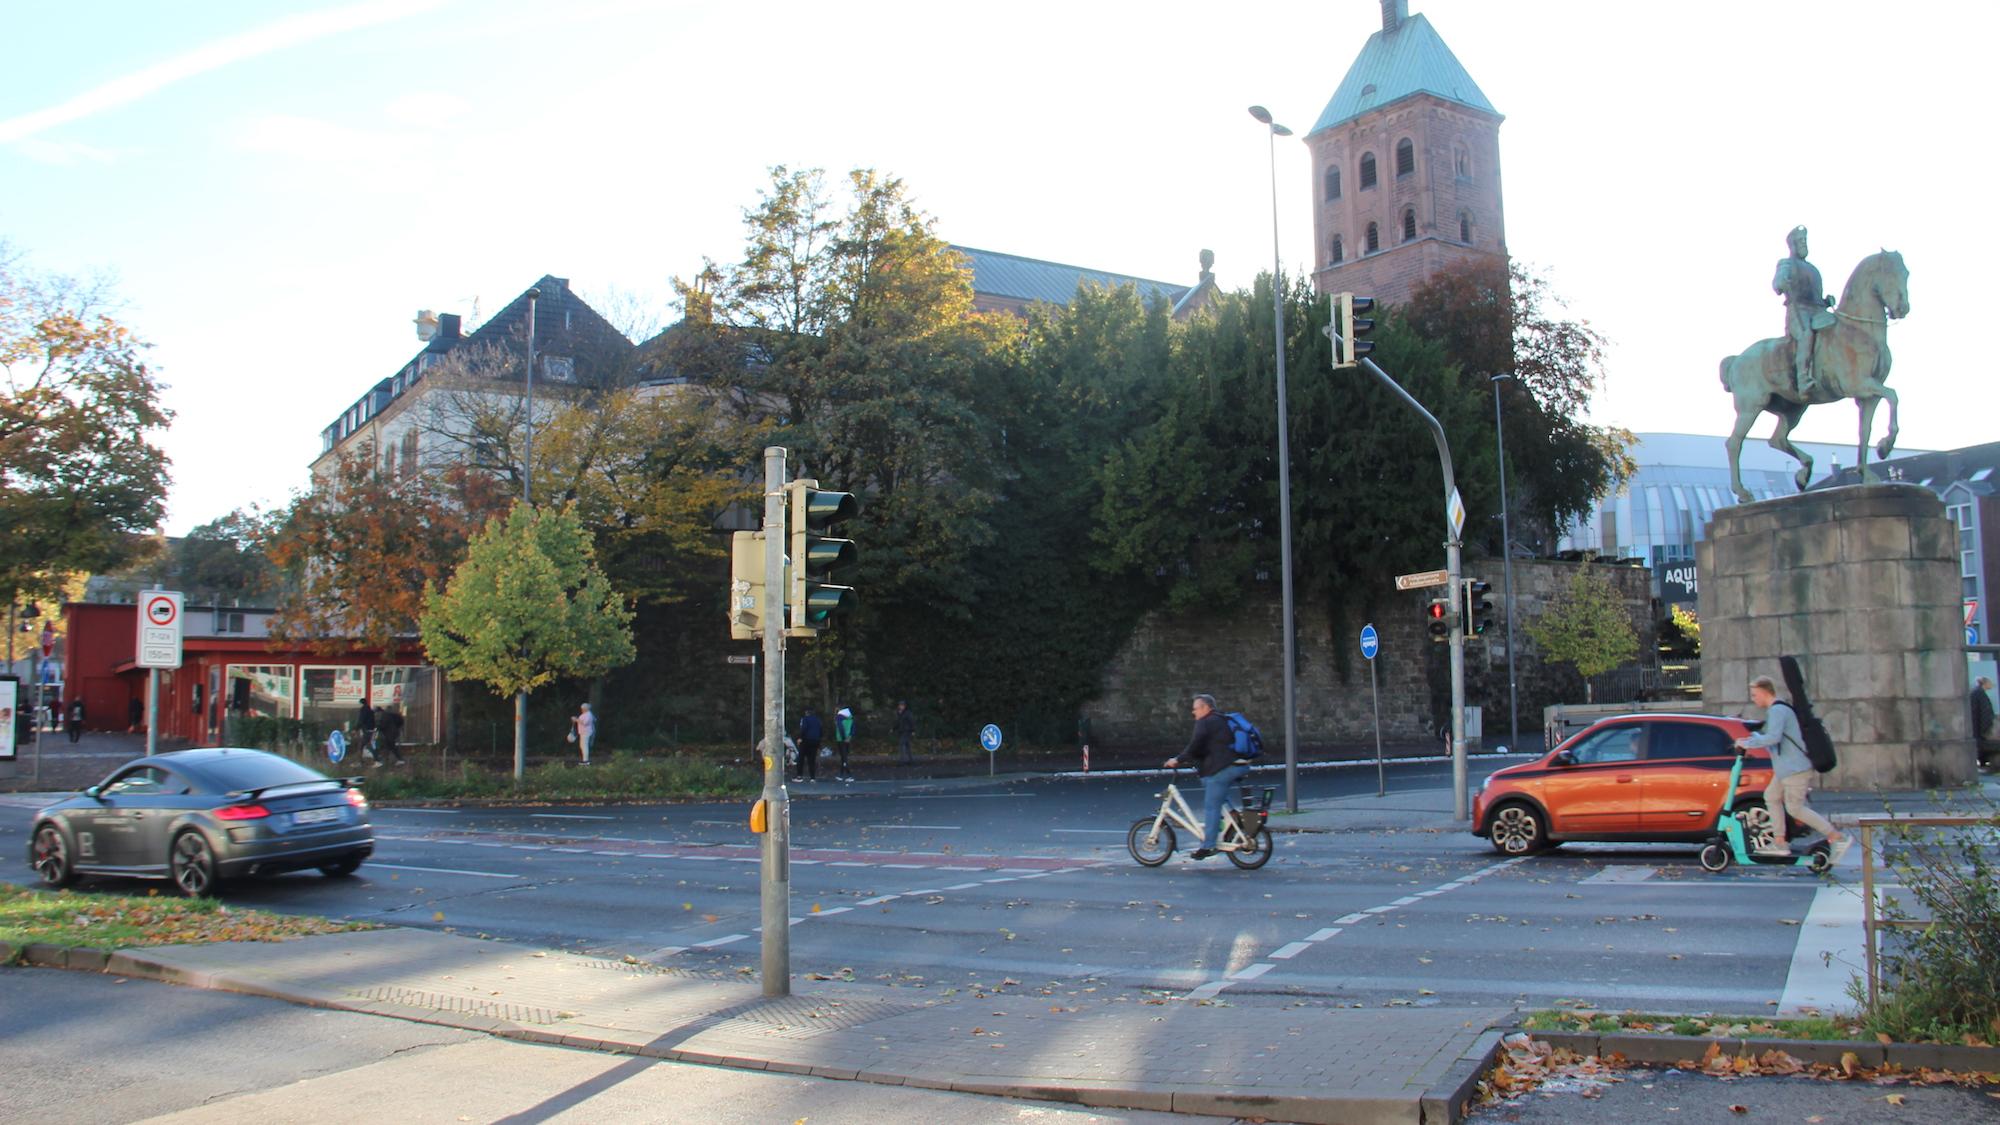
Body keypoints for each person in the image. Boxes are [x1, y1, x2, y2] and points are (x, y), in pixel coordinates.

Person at [1735, 675, 1849, 862]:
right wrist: (1753, 738)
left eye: (1755, 694)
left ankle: (1836, 836)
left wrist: (1748, 742)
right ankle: (1779, 841)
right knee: (1771, 796)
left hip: (1795, 769)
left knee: (1795, 808)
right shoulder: (1778, 710)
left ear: (1764, 693)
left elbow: (1773, 737)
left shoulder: (1778, 711)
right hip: (1785, 769)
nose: (1753, 699)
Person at [1162, 693, 1251, 860]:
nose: (1193, 713)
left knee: (1211, 806)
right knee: (1211, 785)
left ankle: (1208, 846)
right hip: (1237, 766)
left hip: (1224, 768)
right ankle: (1233, 815)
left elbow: (1195, 745)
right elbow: (1210, 746)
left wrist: (1177, 760)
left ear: (1205, 707)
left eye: (1195, 709)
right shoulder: (1221, 719)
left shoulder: (1205, 722)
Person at [1772, 225, 1835, 398]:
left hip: (1818, 312)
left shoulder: (1813, 269)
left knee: (1835, 328)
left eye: (1805, 241)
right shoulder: (1786, 263)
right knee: (1806, 335)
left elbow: (1815, 296)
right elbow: (1777, 284)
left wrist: (1825, 301)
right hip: (1798, 311)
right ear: (1792, 244)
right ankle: (1803, 378)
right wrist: (1782, 283)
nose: (1803, 244)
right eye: (1800, 241)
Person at [1972, 676, 1996, 770]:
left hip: (1976, 726)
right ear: (1985, 683)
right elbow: (1985, 713)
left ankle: (1982, 760)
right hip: (1978, 727)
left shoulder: (1977, 693)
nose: (1992, 685)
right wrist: (1986, 729)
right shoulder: (1980, 694)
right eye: (1990, 683)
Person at [795, 707, 822, 782]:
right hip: (815, 741)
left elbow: (804, 728)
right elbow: (820, 730)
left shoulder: (805, 719)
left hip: (806, 740)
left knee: (801, 758)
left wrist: (800, 737)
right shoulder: (818, 720)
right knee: (812, 759)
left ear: (806, 713)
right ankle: (812, 777)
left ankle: (799, 776)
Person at [833, 705, 855, 781]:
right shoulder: (850, 718)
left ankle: (849, 775)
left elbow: (840, 727)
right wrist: (849, 736)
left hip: (841, 739)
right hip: (847, 740)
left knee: (844, 758)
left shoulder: (839, 717)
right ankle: (841, 775)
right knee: (844, 757)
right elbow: (853, 728)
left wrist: (844, 737)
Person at [893, 701, 915, 766]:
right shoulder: (899, 713)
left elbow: (912, 721)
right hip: (901, 731)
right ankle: (911, 761)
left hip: (907, 731)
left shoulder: (908, 713)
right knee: (907, 746)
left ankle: (902, 761)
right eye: (900, 705)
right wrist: (893, 728)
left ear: (905, 706)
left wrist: (913, 730)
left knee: (901, 744)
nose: (901, 706)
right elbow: (898, 722)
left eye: (902, 705)